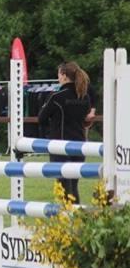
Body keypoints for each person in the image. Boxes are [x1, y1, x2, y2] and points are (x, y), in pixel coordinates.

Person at [37, 61, 94, 204]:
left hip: (60, 146)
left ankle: (66, 221)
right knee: (73, 187)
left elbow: (41, 118)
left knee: (62, 187)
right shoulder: (84, 96)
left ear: (63, 75)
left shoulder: (57, 96)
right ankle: (76, 220)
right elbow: (84, 118)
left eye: (58, 75)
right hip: (79, 146)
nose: (58, 78)